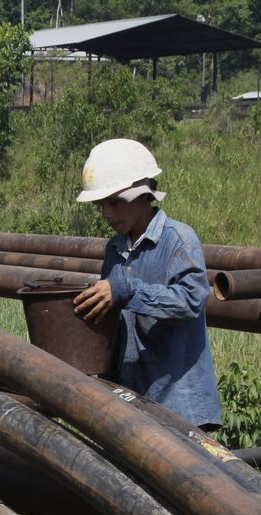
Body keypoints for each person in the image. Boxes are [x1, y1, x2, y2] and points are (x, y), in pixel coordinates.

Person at [72, 138, 221, 431]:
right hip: (133, 399)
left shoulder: (178, 240)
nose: (106, 213)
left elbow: (190, 301)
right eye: (101, 205)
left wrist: (126, 290)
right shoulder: (115, 249)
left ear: (141, 196)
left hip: (179, 405)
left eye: (115, 202)